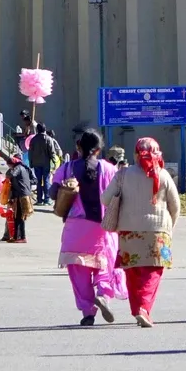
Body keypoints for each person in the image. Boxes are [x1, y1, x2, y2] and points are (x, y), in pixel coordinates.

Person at [102, 136, 181, 328]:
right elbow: (175, 205)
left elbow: (105, 199)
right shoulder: (163, 175)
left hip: (128, 231)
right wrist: (170, 227)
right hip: (158, 231)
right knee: (153, 271)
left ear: (136, 154)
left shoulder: (122, 174)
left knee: (133, 272)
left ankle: (138, 308)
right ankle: (144, 309)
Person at [54, 130, 125, 327]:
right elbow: (119, 195)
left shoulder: (67, 168)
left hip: (75, 228)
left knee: (78, 271)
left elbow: (53, 192)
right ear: (99, 149)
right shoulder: (109, 168)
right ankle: (103, 292)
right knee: (104, 264)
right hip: (103, 227)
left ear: (78, 147)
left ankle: (87, 312)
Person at [29, 123, 61, 206]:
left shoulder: (33, 139)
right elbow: (52, 152)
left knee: (38, 181)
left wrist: (30, 162)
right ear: (45, 129)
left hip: (36, 163)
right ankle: (47, 199)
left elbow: (30, 152)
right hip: (46, 163)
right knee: (46, 180)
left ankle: (39, 200)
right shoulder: (48, 139)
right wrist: (54, 162)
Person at [4, 154, 33, 241]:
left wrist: (7, 179)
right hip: (22, 194)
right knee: (19, 217)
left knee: (19, 217)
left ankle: (21, 237)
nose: (9, 167)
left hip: (22, 195)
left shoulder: (18, 168)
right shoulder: (23, 168)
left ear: (12, 164)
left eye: (9, 165)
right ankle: (18, 237)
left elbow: (12, 174)